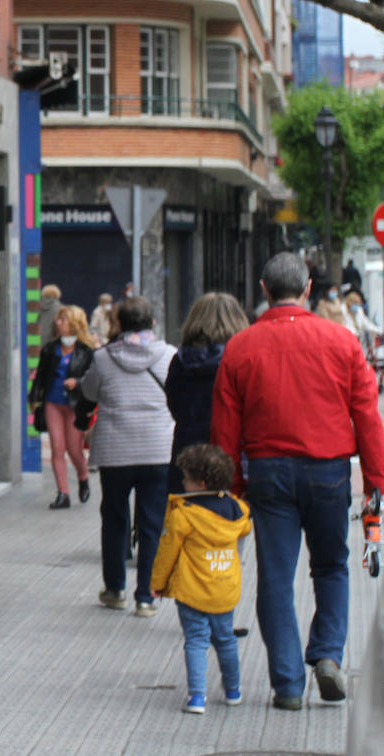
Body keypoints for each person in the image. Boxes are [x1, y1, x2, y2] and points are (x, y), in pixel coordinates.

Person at [212, 252, 384, 709]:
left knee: (275, 577)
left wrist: (230, 485)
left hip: (267, 471)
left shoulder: (240, 347)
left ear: (264, 291)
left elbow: (225, 426)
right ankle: (328, 654)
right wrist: (375, 482)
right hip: (329, 470)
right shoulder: (342, 342)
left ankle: (287, 683)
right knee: (330, 566)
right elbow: (367, 414)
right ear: (308, 289)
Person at [79, 295, 176, 617]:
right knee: (151, 523)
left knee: (115, 519)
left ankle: (115, 588)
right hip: (158, 449)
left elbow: (90, 392)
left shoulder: (104, 358)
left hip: (116, 449)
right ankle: (146, 597)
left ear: (118, 324)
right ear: (153, 323)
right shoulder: (169, 356)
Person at [151, 444, 253, 715]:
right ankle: (233, 691)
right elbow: (246, 525)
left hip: (192, 590)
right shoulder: (237, 511)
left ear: (201, 482)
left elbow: (167, 551)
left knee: (196, 641)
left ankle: (197, 697)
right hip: (224, 589)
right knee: (226, 640)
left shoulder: (183, 514)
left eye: (186, 477)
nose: (182, 482)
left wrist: (157, 583)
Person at [165, 292, 248, 495]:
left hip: (188, 451)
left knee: (190, 517)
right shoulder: (241, 359)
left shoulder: (180, 361)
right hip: (231, 451)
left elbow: (174, 404)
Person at [28, 304, 95, 508]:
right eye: (59, 319)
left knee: (74, 449)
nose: (59, 322)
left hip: (75, 405)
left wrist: (79, 382)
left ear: (75, 324)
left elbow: (93, 377)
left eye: (64, 319)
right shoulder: (50, 349)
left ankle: (83, 477)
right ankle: (63, 493)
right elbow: (40, 375)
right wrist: (34, 398)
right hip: (53, 402)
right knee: (57, 448)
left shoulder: (87, 351)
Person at [345, 290, 381, 358]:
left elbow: (366, 323)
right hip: (347, 340)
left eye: (358, 304)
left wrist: (378, 330)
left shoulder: (358, 310)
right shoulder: (343, 311)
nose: (357, 306)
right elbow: (344, 326)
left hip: (357, 340)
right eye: (355, 303)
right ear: (349, 303)